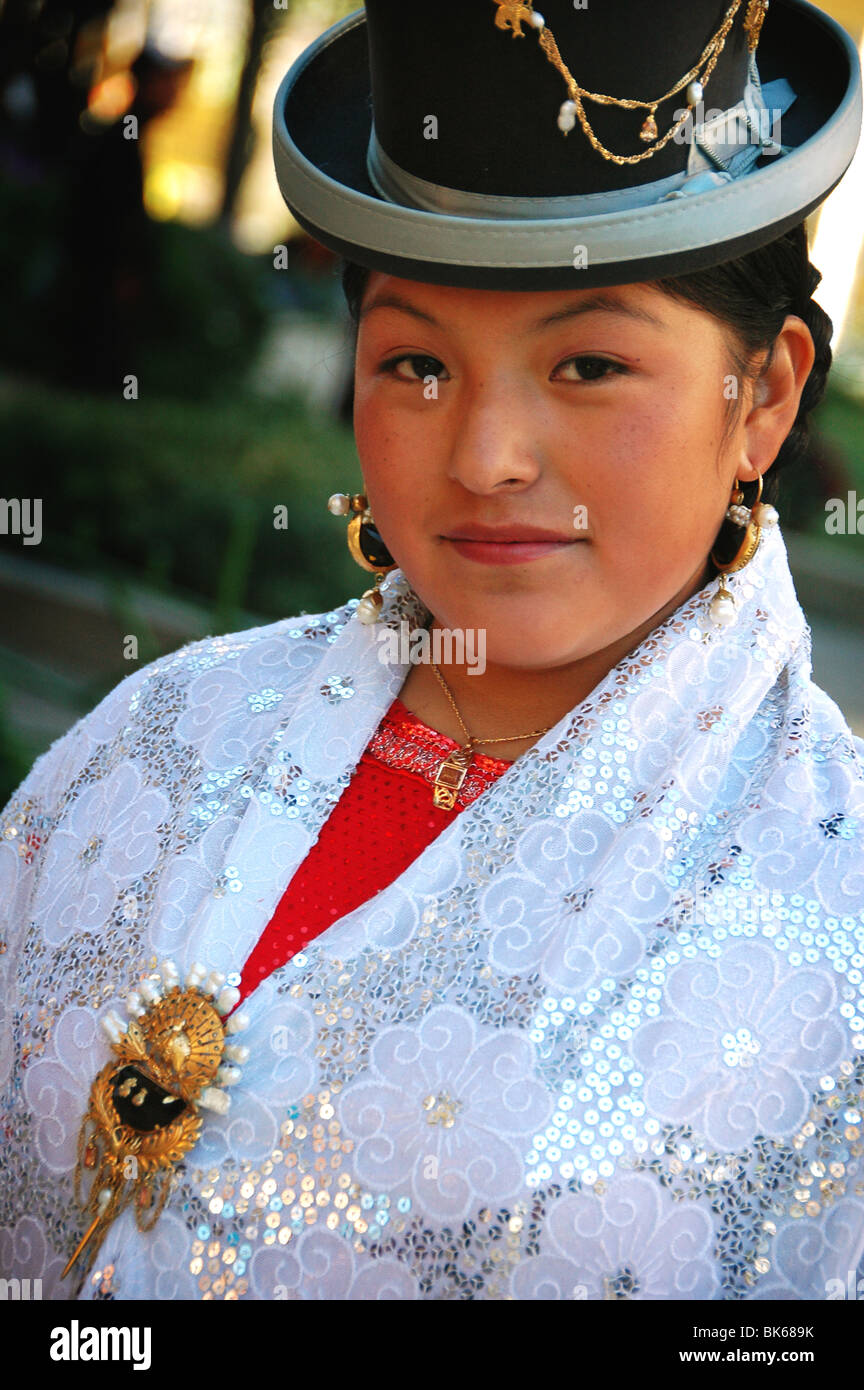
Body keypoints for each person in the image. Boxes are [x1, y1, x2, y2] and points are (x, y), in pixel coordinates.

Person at [2, 0, 864, 1302]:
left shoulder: (832, 904)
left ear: (768, 393)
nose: (481, 457)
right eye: (413, 362)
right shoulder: (157, 735)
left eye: (586, 364)